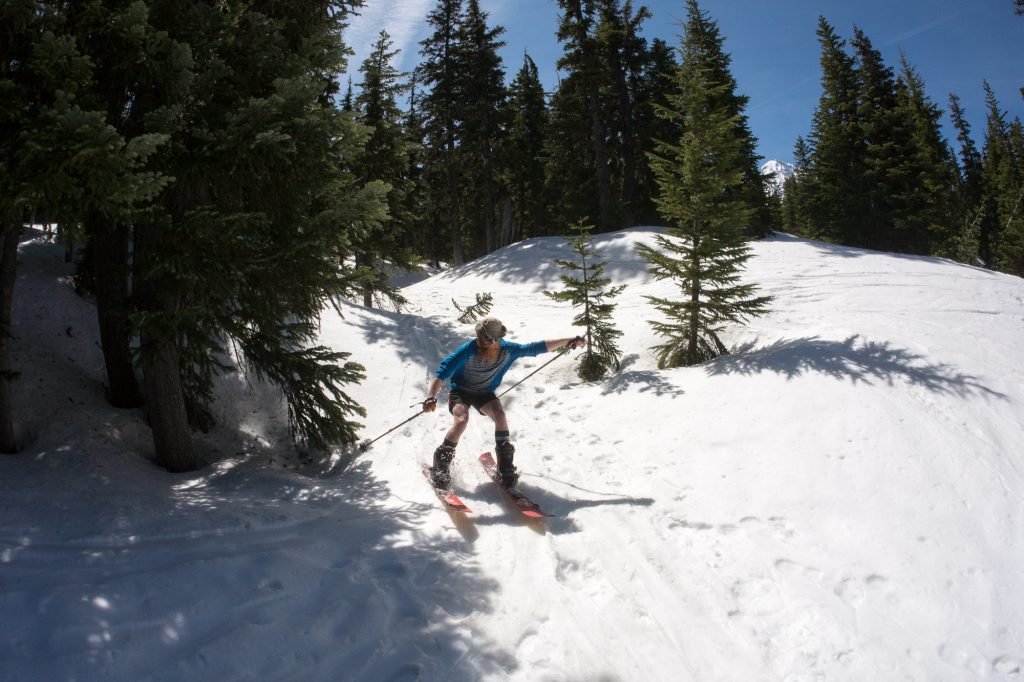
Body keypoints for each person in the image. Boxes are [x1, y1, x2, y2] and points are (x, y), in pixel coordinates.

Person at [422, 317, 584, 489]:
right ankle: (440, 466)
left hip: (484, 392)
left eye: (495, 339)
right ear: (479, 335)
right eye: (486, 338)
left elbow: (536, 347)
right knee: (462, 420)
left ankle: (505, 467)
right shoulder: (469, 350)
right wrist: (431, 397)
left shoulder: (507, 350)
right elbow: (442, 372)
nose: (491, 342)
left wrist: (569, 340)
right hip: (461, 391)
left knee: (500, 415)